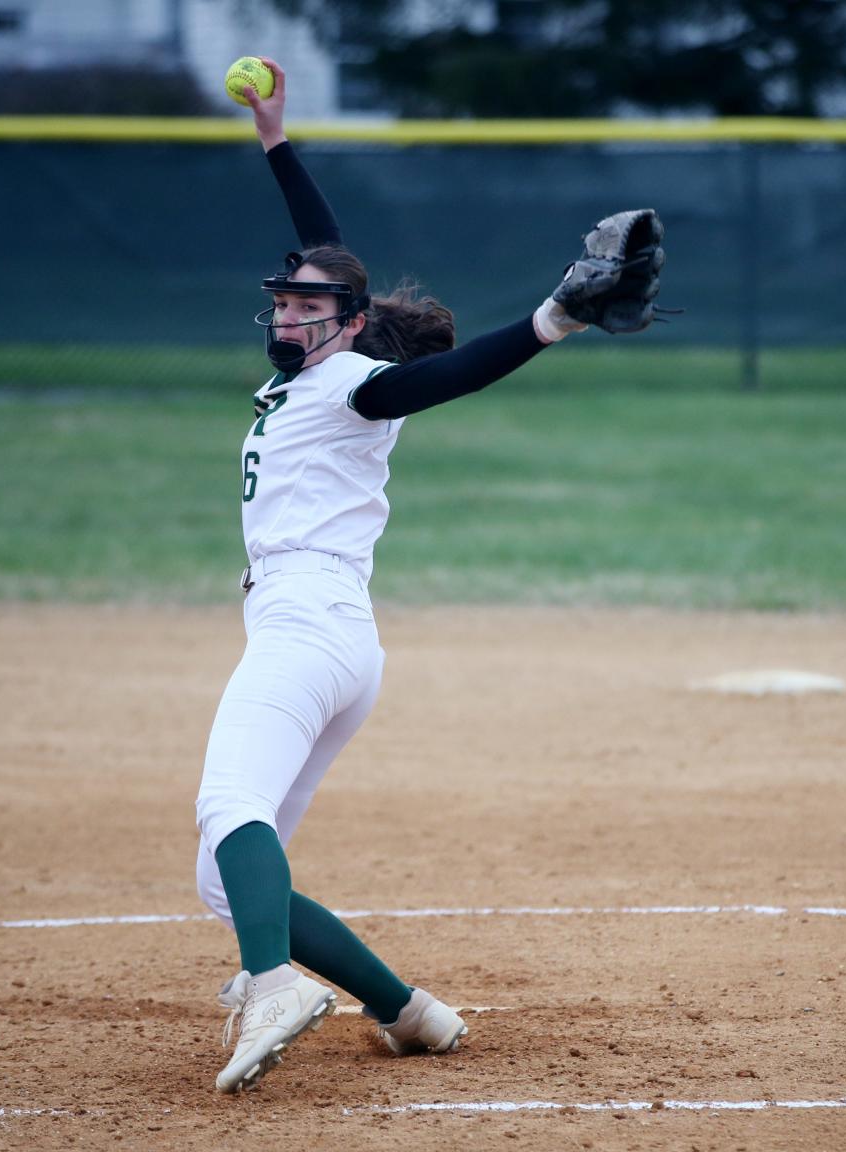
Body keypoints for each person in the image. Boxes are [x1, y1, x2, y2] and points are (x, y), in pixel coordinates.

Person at [193, 58, 608, 1095]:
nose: (285, 313)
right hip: (332, 639)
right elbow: (329, 252)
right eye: (282, 300)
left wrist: (552, 319)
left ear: (345, 323)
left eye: (302, 306)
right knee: (225, 871)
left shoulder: (358, 388)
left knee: (224, 805)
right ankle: (410, 1012)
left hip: (305, 628)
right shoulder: (321, 368)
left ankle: (271, 978)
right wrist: (277, 140)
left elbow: (449, 373)